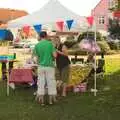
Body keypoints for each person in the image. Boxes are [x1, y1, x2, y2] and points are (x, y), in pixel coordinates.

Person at [33, 31, 57, 105]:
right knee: (51, 83)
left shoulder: (37, 45)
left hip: (41, 66)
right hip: (49, 66)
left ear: (40, 36)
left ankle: (42, 101)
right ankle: (50, 101)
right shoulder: (50, 44)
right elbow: (55, 55)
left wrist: (39, 63)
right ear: (46, 36)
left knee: (41, 83)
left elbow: (35, 58)